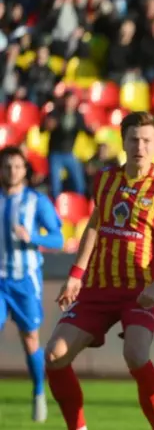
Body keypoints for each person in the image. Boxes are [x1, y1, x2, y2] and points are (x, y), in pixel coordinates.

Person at [44, 112, 154, 430]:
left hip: (140, 292)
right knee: (55, 356)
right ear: (123, 142)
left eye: (146, 140)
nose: (140, 146)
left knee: (136, 355)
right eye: (133, 139)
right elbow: (94, 225)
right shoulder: (105, 179)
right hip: (97, 289)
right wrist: (75, 275)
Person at [0, 146, 63, 423]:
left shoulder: (36, 201)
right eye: (7, 166)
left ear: (25, 170)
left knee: (30, 340)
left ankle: (38, 392)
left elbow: (58, 239)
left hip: (25, 281)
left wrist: (33, 238)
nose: (12, 171)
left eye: (17, 166)